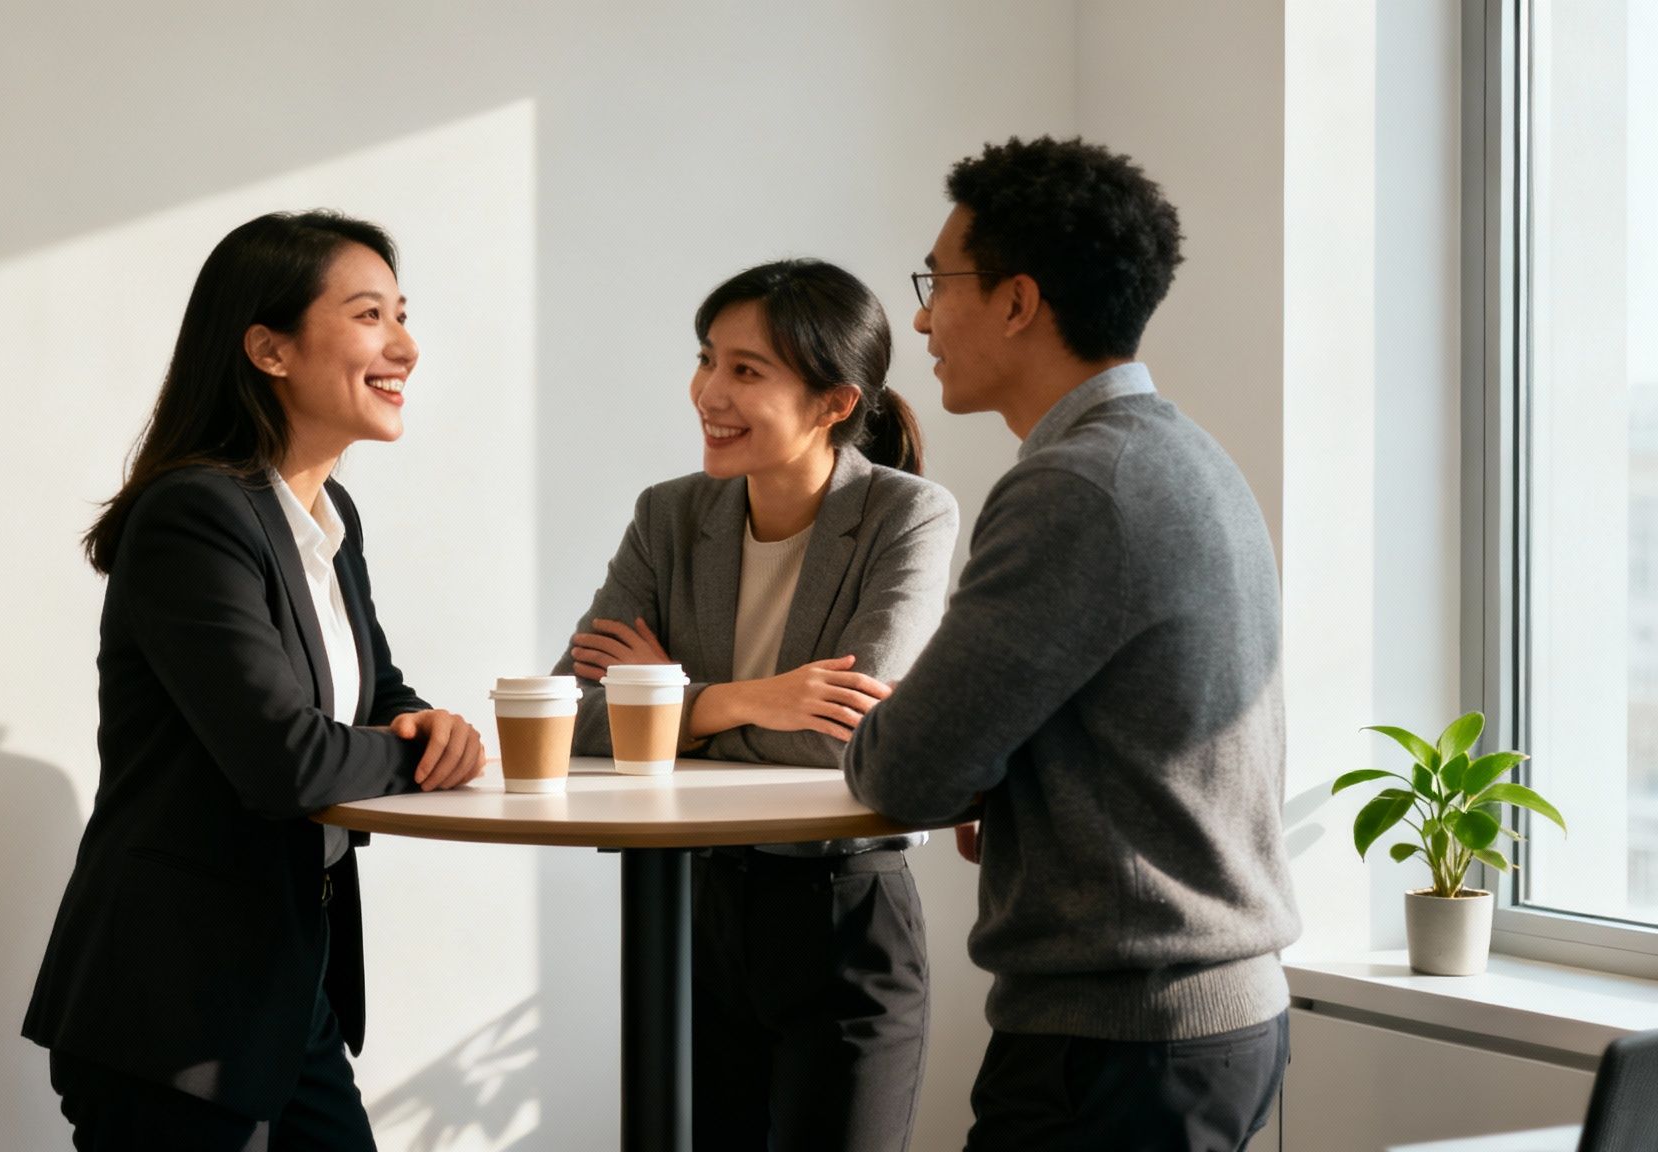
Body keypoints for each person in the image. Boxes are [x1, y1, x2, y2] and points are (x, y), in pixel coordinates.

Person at [842, 135, 1303, 1152]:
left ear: (1016, 301)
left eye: (938, 282)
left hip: (1122, 1043)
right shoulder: (1182, 456)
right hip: (1201, 1019)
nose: (919, 316)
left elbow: (907, 769)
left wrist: (921, 746)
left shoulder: (1071, 488)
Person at [21, 211, 486, 1151]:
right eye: (369, 316)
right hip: (175, 1007)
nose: (404, 345)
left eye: (402, 314)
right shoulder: (193, 515)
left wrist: (428, 724)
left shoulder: (324, 511)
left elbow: (370, 694)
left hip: (284, 988)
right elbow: (287, 763)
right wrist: (415, 760)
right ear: (269, 349)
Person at [554, 259, 959, 1151]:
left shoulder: (909, 517)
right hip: (697, 908)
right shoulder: (668, 515)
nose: (709, 391)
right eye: (707, 359)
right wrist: (743, 701)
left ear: (834, 403)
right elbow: (569, 717)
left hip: (844, 912)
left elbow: (843, 744)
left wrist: (661, 702)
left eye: (747, 370)